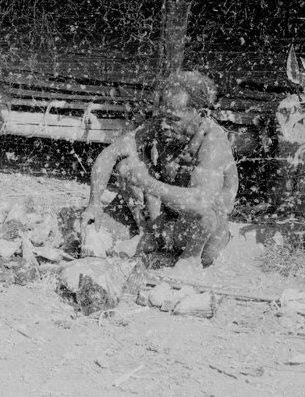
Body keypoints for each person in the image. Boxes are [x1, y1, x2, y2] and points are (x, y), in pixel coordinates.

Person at [80, 70, 238, 274]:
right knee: (128, 163)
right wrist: (93, 203)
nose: (164, 125)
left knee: (206, 211)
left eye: (173, 120)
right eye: (162, 117)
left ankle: (190, 258)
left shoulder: (213, 141)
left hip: (204, 235)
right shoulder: (159, 125)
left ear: (201, 114)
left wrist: (146, 183)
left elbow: (201, 203)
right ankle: (150, 234)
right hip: (166, 221)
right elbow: (110, 154)